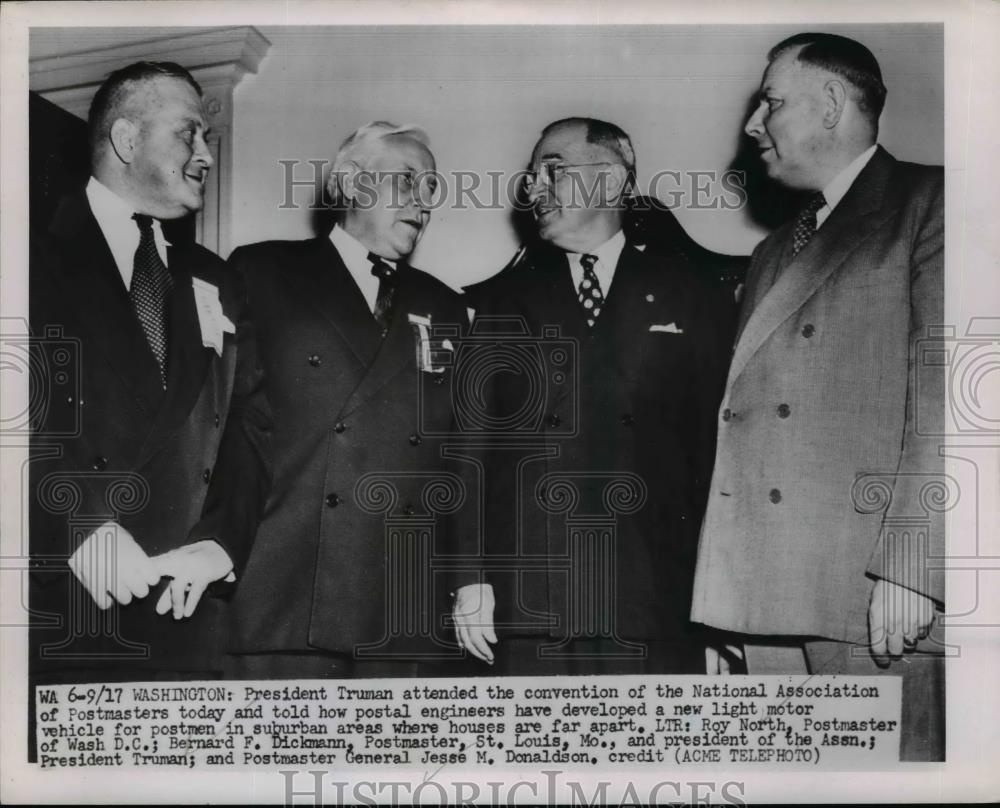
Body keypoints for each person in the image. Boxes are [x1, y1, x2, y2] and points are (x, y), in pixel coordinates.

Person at [690, 33, 945, 760]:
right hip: (768, 593)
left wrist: (912, 563)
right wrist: (726, 610)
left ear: (831, 103)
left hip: (868, 590)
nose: (752, 125)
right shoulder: (775, 248)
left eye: (770, 101)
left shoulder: (931, 200)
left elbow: (949, 397)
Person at [454, 117, 731, 674]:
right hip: (530, 596)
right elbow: (469, 449)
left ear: (609, 179)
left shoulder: (693, 292)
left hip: (656, 598)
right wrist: (469, 579)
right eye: (531, 177)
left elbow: (718, 457)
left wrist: (718, 616)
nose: (532, 189)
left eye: (551, 172)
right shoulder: (500, 302)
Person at [213, 122, 474, 678]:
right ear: (353, 183)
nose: (424, 203)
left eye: (432, 190)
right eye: (409, 181)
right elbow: (224, 428)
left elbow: (462, 458)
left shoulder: (444, 305)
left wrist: (467, 578)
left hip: (403, 605)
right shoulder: (262, 270)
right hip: (284, 592)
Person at [29, 61, 243, 688]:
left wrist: (223, 544)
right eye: (189, 134)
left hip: (188, 613)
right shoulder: (25, 250)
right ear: (126, 140)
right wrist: (77, 524)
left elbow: (249, 428)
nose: (206, 154)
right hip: (59, 607)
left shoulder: (219, 278)